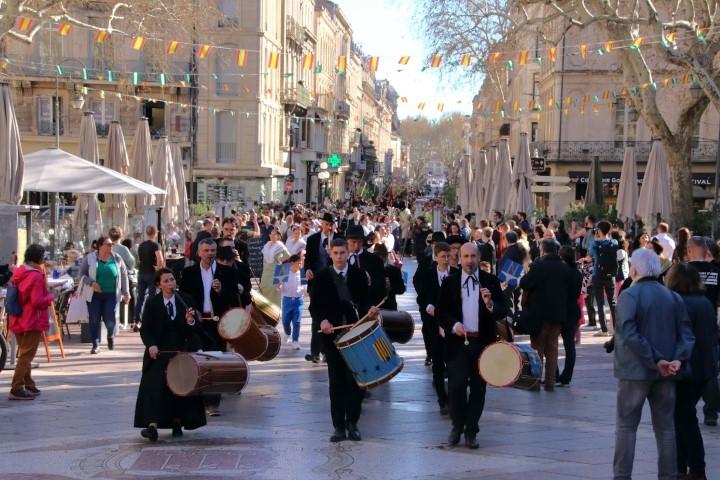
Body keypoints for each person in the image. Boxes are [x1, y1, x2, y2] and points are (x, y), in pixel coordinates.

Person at [612, 248, 695, 480]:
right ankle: (667, 476)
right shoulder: (672, 296)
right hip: (667, 371)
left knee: (627, 427)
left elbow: (629, 332)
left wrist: (655, 359)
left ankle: (622, 476)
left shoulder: (629, 295)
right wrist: (676, 359)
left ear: (635, 268)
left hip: (635, 371)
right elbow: (686, 334)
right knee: (665, 428)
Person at [437, 242, 506, 449]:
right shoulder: (450, 282)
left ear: (479, 258)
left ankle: (471, 430)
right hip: (458, 343)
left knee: (478, 389)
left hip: (483, 343)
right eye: (465, 256)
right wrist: (454, 325)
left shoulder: (491, 281)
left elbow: (502, 311)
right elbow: (441, 312)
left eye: (473, 256)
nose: (469, 261)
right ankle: (457, 426)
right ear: (459, 258)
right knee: (457, 386)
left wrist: (490, 304)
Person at [313, 238, 379, 442]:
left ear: (349, 254)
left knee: (356, 382)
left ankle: (353, 423)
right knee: (336, 382)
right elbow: (314, 306)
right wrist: (322, 320)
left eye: (343, 253)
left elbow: (366, 299)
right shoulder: (322, 277)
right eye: (336, 253)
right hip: (332, 337)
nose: (340, 256)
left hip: (356, 336)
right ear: (330, 254)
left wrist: (371, 310)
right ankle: (338, 427)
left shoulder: (359, 276)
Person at [133, 268, 206, 441]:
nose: (170, 284)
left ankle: (177, 422)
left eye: (172, 280)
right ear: (158, 284)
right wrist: (151, 345)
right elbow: (146, 330)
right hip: (159, 353)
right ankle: (152, 426)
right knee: (155, 387)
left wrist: (190, 320)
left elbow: (195, 330)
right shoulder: (152, 303)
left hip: (180, 352)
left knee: (179, 387)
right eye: (165, 281)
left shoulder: (185, 300)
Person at [665, 263, 718, 480]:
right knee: (683, 417)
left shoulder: (679, 303)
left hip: (686, 368)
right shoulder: (704, 302)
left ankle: (695, 468)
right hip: (704, 367)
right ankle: (683, 466)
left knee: (684, 419)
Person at [179, 238, 239, 416]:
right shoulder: (189, 272)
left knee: (215, 361)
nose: (210, 254)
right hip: (197, 322)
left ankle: (212, 403)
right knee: (197, 359)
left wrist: (221, 291)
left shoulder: (226, 272)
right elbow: (184, 296)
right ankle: (197, 401)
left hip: (216, 322)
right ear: (199, 253)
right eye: (206, 251)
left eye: (213, 251)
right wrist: (192, 311)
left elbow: (233, 296)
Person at [520, 239, 579, 390]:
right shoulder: (565, 268)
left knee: (538, 348)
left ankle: (536, 381)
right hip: (558, 314)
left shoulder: (539, 266)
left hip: (539, 314)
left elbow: (525, 284)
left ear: (543, 251)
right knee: (552, 348)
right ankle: (550, 382)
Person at [7, 244, 54, 400]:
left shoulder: (20, 271)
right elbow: (37, 301)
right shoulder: (35, 276)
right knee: (27, 355)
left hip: (17, 317)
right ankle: (16, 387)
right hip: (31, 319)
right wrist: (51, 296)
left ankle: (29, 384)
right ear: (39, 258)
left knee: (24, 353)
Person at [416, 241, 458, 414]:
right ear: (436, 257)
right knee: (438, 363)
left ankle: (455, 398)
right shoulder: (428, 274)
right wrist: (428, 306)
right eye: (443, 257)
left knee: (454, 363)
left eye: (448, 256)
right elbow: (422, 297)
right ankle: (442, 400)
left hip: (452, 325)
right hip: (433, 324)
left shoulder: (456, 274)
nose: (446, 260)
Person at [686, 236, 720, 428]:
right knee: (710, 369)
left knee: (686, 365)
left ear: (690, 250)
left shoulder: (683, 271)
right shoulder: (715, 271)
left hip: (686, 325)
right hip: (710, 325)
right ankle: (711, 412)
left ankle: (687, 405)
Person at [80, 236, 130, 354]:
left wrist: (126, 292)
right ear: (100, 246)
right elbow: (81, 274)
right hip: (94, 295)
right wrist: (92, 283)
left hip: (111, 294)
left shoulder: (117, 258)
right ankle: (95, 344)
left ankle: (110, 335)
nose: (111, 246)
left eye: (111, 244)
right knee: (94, 319)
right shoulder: (90, 258)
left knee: (110, 319)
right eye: (108, 244)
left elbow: (124, 275)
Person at [304, 212, 339, 363]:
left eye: (331, 224)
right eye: (327, 224)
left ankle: (327, 351)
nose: (329, 227)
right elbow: (308, 260)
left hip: (332, 284)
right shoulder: (312, 239)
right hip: (316, 283)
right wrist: (308, 269)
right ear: (322, 224)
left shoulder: (337, 241)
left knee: (330, 316)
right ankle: (315, 352)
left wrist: (332, 253)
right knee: (316, 317)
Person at [587, 220, 618, 336]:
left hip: (598, 275)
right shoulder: (614, 242)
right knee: (612, 302)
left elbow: (590, 257)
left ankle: (604, 330)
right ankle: (615, 328)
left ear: (599, 231)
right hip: (611, 275)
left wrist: (596, 239)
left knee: (600, 303)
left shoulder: (594, 244)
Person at [557, 245, 583, 385]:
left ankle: (553, 374)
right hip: (573, 310)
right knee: (569, 346)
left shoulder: (562, 272)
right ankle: (567, 376)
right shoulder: (577, 272)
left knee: (551, 344)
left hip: (561, 311)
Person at [346, 225, 387, 307]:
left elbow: (380, 285)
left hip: (366, 306)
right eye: (353, 242)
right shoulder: (339, 258)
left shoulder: (375, 260)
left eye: (360, 242)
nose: (357, 245)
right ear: (347, 241)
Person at [135, 225, 164, 331]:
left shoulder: (141, 245)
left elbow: (140, 258)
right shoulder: (156, 245)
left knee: (140, 297)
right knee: (152, 297)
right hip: (151, 272)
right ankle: (150, 319)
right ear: (155, 233)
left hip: (141, 272)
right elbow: (160, 259)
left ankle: (137, 320)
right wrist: (159, 271)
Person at [259, 227, 290, 309]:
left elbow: (287, 258)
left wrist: (280, 260)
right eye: (271, 234)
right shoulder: (267, 245)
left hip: (275, 271)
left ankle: (275, 313)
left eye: (274, 234)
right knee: (264, 291)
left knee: (274, 293)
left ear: (278, 235)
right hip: (266, 272)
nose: (272, 236)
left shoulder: (280, 245)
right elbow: (264, 261)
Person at [278, 254, 305, 349]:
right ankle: (287, 333)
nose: (300, 264)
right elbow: (278, 286)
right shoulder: (284, 271)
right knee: (285, 320)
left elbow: (305, 286)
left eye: (301, 263)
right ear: (292, 263)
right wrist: (279, 286)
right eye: (299, 263)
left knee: (297, 321)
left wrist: (305, 290)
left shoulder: (302, 272)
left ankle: (295, 340)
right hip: (287, 300)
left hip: (299, 300)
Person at [372, 244, 405, 311]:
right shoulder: (370, 270)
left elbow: (401, 289)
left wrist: (391, 286)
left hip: (389, 307)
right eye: (377, 256)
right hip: (373, 307)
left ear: (386, 256)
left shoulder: (394, 270)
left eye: (382, 256)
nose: (380, 258)